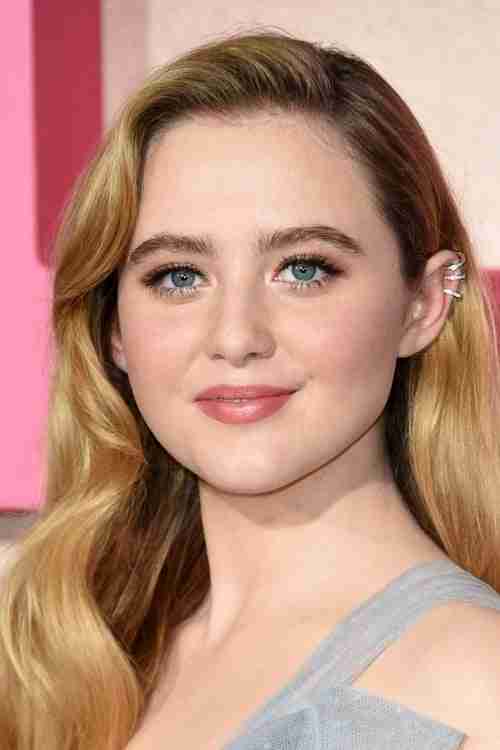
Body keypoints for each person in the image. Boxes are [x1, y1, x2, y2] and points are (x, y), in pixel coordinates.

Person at [1, 29, 500, 750]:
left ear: (421, 304)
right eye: (178, 276)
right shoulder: (61, 660)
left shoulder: (477, 684)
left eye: (304, 269)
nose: (236, 337)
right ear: (115, 330)